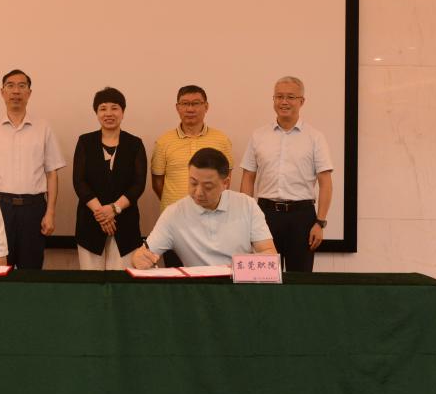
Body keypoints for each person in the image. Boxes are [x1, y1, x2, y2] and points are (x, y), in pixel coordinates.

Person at [0, 69, 66, 269]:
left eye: (22, 86)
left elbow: (52, 173)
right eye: (10, 86)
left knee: (31, 269)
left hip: (33, 209)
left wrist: (50, 212)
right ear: (2, 92)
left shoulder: (43, 128)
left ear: (29, 93)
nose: (16, 91)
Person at [239, 76, 333, 272]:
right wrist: (246, 218)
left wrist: (320, 222)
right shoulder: (258, 136)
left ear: (302, 101)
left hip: (302, 217)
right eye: (279, 96)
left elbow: (325, 183)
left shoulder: (315, 137)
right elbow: (248, 177)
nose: (284, 102)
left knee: (300, 280)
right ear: (273, 99)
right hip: (266, 215)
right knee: (264, 277)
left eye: (290, 97)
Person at [131, 148, 276, 269]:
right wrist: (139, 258)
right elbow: (145, 253)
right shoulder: (174, 213)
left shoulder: (246, 205)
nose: (198, 192)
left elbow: (269, 254)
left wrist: (234, 269)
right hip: (197, 288)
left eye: (208, 186)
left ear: (225, 183)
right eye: (193, 183)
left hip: (238, 285)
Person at [150, 84, 233, 266]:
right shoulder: (164, 141)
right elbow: (157, 182)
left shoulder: (221, 139)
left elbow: (225, 180)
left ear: (206, 106)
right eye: (185, 104)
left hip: (213, 222)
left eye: (196, 103)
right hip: (176, 222)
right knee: (175, 275)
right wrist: (178, 203)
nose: (190, 109)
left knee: (212, 275)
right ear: (177, 107)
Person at [71, 87, 147, 270]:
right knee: (92, 280)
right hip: (90, 222)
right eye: (103, 108)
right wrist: (102, 214)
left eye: (114, 108)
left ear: (123, 112)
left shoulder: (135, 144)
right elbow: (79, 182)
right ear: (96, 113)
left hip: (125, 224)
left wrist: (114, 209)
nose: (109, 113)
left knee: (121, 280)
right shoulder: (85, 142)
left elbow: (138, 184)